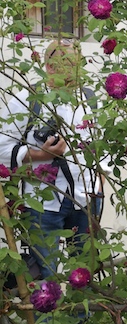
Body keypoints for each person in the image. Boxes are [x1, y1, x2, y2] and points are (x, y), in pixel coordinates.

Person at [0, 39, 103, 281]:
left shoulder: (88, 98)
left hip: (86, 198)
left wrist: (98, 187)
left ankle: (80, 319)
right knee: (46, 277)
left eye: (78, 65)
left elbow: (100, 148)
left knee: (85, 272)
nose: (75, 72)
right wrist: (42, 155)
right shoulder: (28, 99)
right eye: (68, 64)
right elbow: (1, 146)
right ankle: (49, 319)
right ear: (49, 66)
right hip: (43, 203)